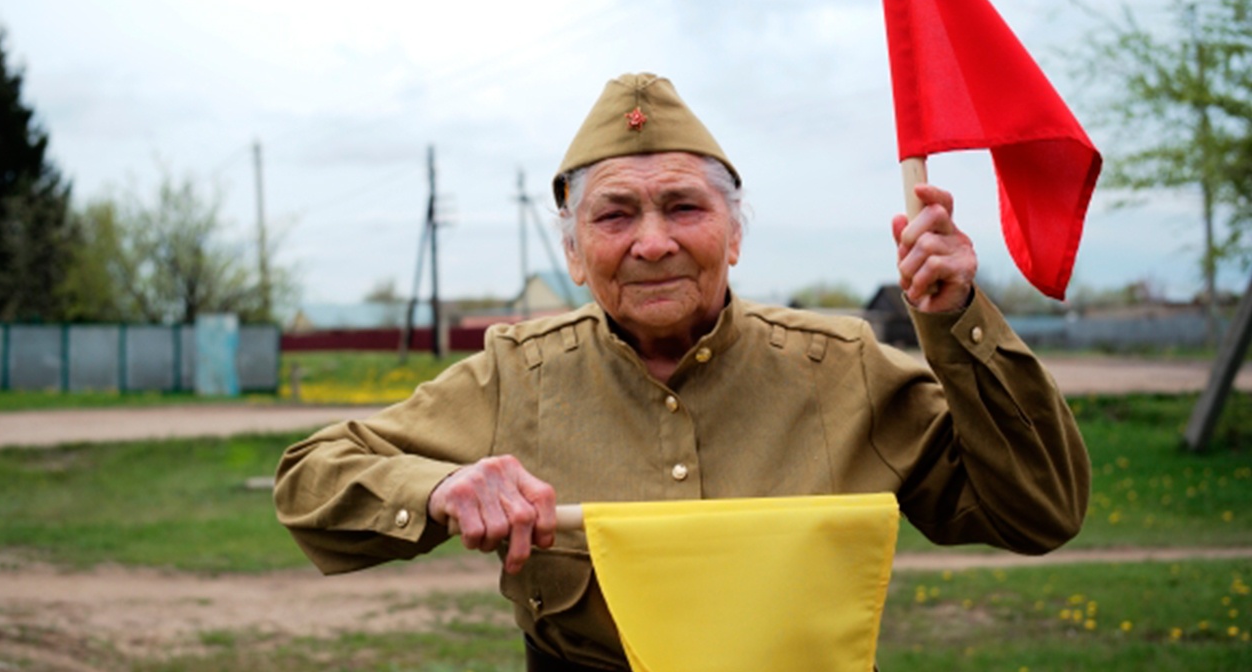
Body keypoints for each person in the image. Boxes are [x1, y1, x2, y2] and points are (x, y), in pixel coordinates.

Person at [274, 72, 1089, 672]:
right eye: (616, 214)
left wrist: (957, 321)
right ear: (573, 252)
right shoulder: (515, 376)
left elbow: (1039, 511)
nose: (653, 241)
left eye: (685, 207)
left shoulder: (842, 367)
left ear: (735, 235)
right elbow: (310, 480)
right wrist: (439, 489)